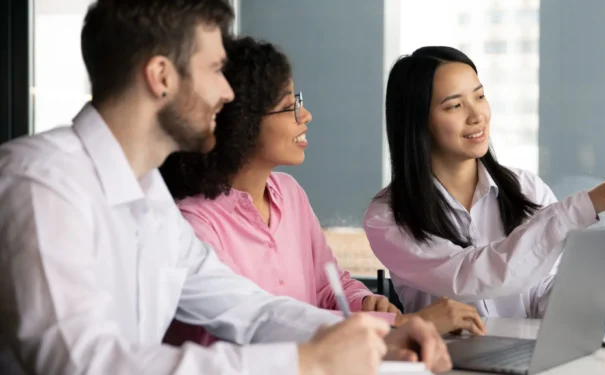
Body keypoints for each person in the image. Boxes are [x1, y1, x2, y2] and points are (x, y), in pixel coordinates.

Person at [0, 2, 451, 374]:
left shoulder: (148, 197)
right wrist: (304, 362)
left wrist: (374, 336)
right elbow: (80, 365)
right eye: (215, 69)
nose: (229, 93)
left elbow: (249, 309)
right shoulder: (42, 184)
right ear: (161, 76)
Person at [158, 35, 485, 346]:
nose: (306, 115)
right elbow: (256, 327)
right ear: (241, 123)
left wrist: (364, 302)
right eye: (290, 106)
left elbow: (331, 285)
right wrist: (403, 325)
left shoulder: (289, 193)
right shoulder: (195, 224)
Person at [363, 46, 605, 319]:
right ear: (417, 121)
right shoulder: (389, 216)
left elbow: (542, 304)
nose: (477, 115)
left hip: (523, 358)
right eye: (455, 106)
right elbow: (473, 278)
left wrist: (594, 277)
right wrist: (584, 205)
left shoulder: (525, 188)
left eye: (479, 96)